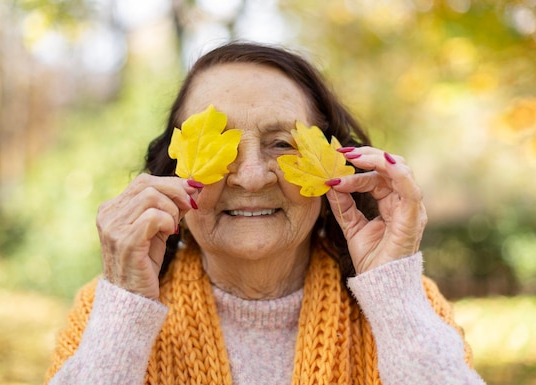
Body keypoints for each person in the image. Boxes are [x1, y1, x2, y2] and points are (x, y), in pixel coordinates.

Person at [44, 42, 485, 385]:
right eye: (218, 148)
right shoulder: (106, 311)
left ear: (336, 164)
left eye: (282, 144)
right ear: (170, 172)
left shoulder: (408, 303)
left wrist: (393, 294)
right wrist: (126, 309)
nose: (252, 177)